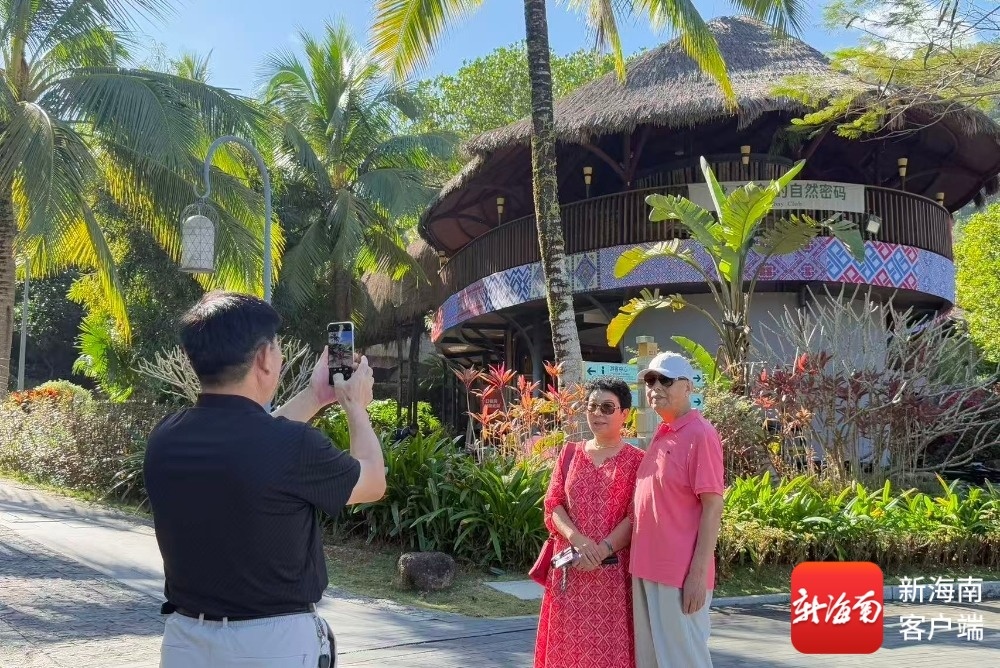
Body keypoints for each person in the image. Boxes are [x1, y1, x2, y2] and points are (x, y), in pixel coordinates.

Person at [144, 292, 387, 668]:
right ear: (262, 358)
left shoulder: (166, 437)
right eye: (276, 347)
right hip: (273, 646)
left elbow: (254, 443)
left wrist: (314, 397)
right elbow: (372, 481)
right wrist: (355, 407)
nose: (281, 357)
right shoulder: (293, 446)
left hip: (185, 643)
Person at [534, 377, 645, 668]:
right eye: (592, 406)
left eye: (607, 407)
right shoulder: (569, 454)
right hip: (569, 573)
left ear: (625, 414)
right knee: (566, 653)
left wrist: (602, 550)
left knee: (610, 654)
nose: (598, 413)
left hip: (613, 578)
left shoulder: (638, 461)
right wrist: (579, 541)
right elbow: (553, 504)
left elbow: (636, 516)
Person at [631, 352, 724, 668]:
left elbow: (713, 506)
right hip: (646, 568)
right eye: (650, 380)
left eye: (666, 380)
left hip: (678, 575)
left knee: (684, 661)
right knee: (653, 662)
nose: (656, 387)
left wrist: (697, 575)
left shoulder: (701, 434)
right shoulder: (664, 433)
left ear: (688, 387)